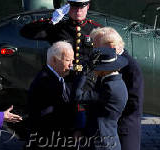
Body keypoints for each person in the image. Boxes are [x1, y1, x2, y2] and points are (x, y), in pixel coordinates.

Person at [20, 0, 101, 130]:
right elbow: (26, 32)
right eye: (74, 7)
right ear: (68, 7)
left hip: (86, 85)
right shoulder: (58, 27)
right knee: (62, 125)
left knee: (87, 128)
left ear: (88, 6)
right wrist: (51, 21)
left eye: (82, 7)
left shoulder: (96, 29)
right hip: (63, 84)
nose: (78, 11)